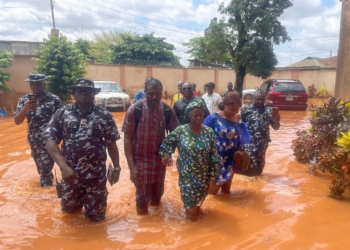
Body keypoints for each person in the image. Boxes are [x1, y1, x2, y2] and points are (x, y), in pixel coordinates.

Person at [43, 78, 121, 222]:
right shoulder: (62, 113)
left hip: (96, 177)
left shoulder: (105, 115)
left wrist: (116, 167)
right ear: (74, 93)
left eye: (88, 91)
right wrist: (63, 166)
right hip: (70, 175)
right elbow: (50, 140)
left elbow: (111, 144)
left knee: (96, 219)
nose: (83, 94)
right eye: (80, 91)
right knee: (69, 215)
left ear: (94, 94)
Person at [122, 78, 179, 215]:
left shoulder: (167, 110)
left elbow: (176, 135)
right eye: (150, 93)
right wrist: (131, 167)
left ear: (162, 93)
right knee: (142, 197)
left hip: (160, 161)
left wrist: (168, 153)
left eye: (157, 94)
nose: (154, 97)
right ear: (145, 92)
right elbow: (127, 139)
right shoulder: (135, 109)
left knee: (157, 196)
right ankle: (143, 226)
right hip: (140, 160)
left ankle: (156, 228)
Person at [160, 99, 219, 221]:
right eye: (195, 115)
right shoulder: (181, 131)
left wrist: (212, 178)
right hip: (187, 177)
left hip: (204, 177)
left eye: (201, 115)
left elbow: (214, 156)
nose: (198, 118)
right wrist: (167, 154)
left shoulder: (209, 132)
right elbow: (166, 144)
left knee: (197, 208)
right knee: (191, 214)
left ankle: (197, 233)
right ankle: (190, 235)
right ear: (189, 116)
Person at [14, 73, 63, 187]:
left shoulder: (54, 99)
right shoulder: (24, 100)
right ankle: (48, 189)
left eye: (38, 84)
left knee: (45, 170)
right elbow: (17, 121)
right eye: (32, 84)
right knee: (40, 168)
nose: (35, 86)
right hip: (34, 140)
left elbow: (63, 120)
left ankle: (45, 196)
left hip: (49, 140)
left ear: (43, 84)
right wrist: (25, 108)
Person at [204, 92, 250, 195]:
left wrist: (240, 150)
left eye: (236, 109)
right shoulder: (213, 118)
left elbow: (242, 135)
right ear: (224, 105)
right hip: (215, 159)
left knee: (226, 192)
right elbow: (204, 136)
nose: (233, 112)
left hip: (231, 157)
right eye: (231, 109)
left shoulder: (238, 118)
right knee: (212, 191)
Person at [240, 90, 281, 176]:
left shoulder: (269, 110)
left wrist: (277, 121)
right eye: (258, 99)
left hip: (263, 144)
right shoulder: (245, 110)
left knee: (260, 168)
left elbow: (276, 128)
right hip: (249, 143)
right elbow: (239, 125)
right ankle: (250, 185)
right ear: (253, 99)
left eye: (262, 99)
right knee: (250, 166)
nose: (260, 101)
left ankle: (258, 184)